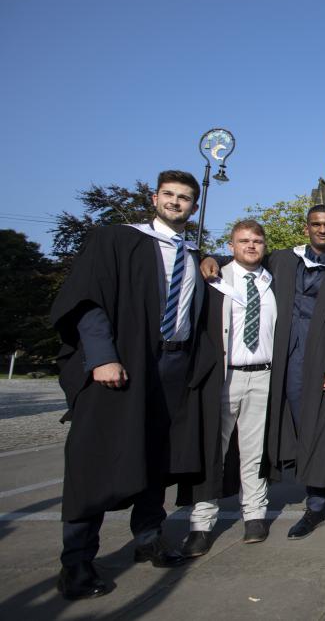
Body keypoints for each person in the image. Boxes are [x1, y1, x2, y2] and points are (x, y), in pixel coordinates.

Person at [50, 170, 204, 599]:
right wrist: (102, 357)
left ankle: (148, 538)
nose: (177, 202)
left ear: (193, 206)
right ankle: (76, 562)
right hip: (125, 363)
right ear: (155, 198)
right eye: (170, 195)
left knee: (156, 457)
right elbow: (89, 300)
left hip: (174, 365)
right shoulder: (116, 240)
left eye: (185, 198)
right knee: (96, 459)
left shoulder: (191, 255)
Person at [200, 204, 325, 548]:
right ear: (306, 228)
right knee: (306, 435)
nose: (322, 229)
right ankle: (315, 508)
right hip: (291, 363)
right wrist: (211, 258)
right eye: (315, 224)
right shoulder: (282, 260)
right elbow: (243, 260)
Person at [177, 220, 277, 556]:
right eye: (243, 241)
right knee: (211, 452)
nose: (251, 246)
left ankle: (255, 516)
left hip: (263, 375)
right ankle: (201, 523)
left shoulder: (273, 280)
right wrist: (210, 257)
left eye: (257, 241)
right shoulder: (214, 278)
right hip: (224, 377)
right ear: (231, 245)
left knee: (254, 452)